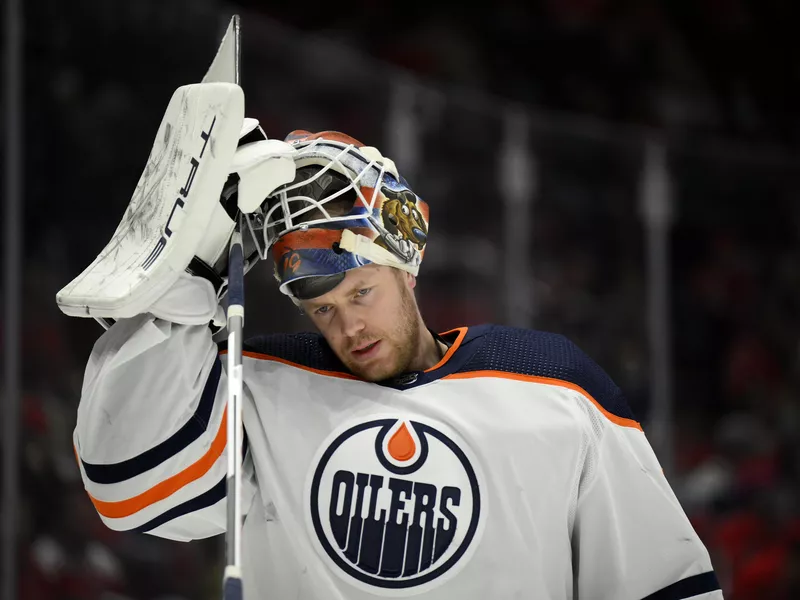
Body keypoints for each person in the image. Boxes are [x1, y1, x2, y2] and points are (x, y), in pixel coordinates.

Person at [72, 129, 723, 599]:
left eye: (361, 293)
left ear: (408, 266)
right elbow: (127, 482)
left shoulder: (553, 384)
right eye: (322, 309)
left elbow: (661, 584)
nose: (348, 326)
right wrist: (190, 275)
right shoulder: (263, 390)